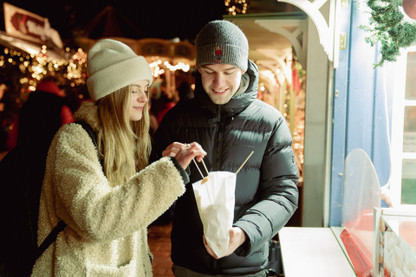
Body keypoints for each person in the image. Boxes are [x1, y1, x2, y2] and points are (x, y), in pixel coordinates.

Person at [31, 39, 206, 276]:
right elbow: (96, 219)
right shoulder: (74, 139)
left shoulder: (127, 143)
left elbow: (131, 211)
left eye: (145, 90)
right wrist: (168, 173)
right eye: (135, 90)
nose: (145, 99)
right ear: (113, 92)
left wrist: (162, 168)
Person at [150, 20, 299, 276]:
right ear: (198, 70)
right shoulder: (177, 119)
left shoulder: (270, 122)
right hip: (189, 264)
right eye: (209, 71)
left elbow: (284, 193)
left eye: (229, 71)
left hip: (248, 265)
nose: (218, 82)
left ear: (243, 69)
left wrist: (244, 232)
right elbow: (152, 199)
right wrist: (164, 167)